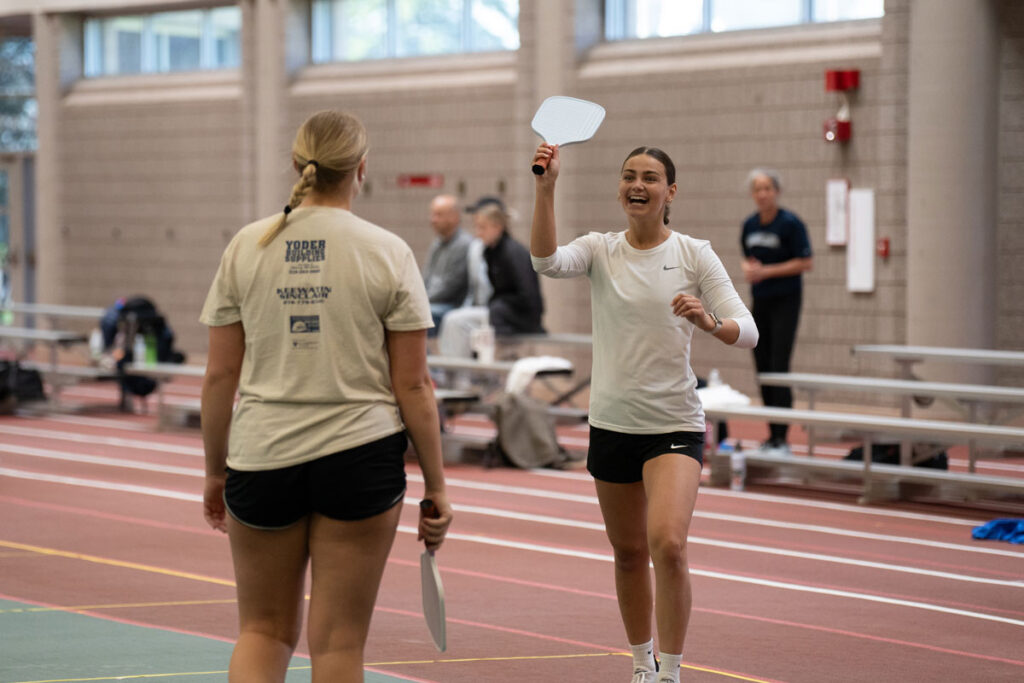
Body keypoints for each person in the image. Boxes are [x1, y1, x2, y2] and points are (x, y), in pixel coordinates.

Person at [199, 110, 452, 683]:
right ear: (362, 169)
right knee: (339, 646)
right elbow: (413, 384)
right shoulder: (388, 252)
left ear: (297, 165)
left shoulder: (247, 246)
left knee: (263, 632)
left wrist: (216, 473)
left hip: (262, 456)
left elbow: (219, 378)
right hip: (360, 456)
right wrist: (436, 485)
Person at [530, 143, 757, 683]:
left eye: (650, 178)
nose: (638, 184)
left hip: (674, 424)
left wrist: (707, 320)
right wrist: (546, 187)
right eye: (629, 176)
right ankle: (641, 664)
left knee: (669, 545)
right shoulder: (599, 250)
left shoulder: (695, 253)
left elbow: (746, 332)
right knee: (629, 552)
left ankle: (672, 672)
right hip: (612, 424)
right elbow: (544, 261)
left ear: (670, 192)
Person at [741, 168, 813, 452]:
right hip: (760, 302)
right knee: (762, 367)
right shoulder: (749, 225)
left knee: (779, 366)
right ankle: (772, 434)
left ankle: (783, 436)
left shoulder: (791, 224)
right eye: (757, 189)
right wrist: (749, 269)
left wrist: (768, 271)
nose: (762, 194)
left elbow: (806, 262)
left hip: (786, 301)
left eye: (767, 188)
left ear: (776, 192)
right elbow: (749, 260)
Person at [438, 196, 544, 358]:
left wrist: (499, 308)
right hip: (501, 313)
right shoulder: (490, 252)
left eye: (482, 228)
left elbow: (529, 297)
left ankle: (459, 376)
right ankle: (456, 373)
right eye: (476, 227)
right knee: (454, 319)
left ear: (497, 227)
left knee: (456, 321)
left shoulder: (513, 252)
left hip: (519, 319)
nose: (477, 233)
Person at [422, 194, 473, 334]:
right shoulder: (436, 244)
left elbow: (450, 287)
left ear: (454, 217)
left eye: (438, 215)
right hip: (431, 302)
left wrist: (421, 302)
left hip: (451, 305)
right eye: (432, 214)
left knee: (419, 317)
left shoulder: (465, 245)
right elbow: (426, 277)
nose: (433, 220)